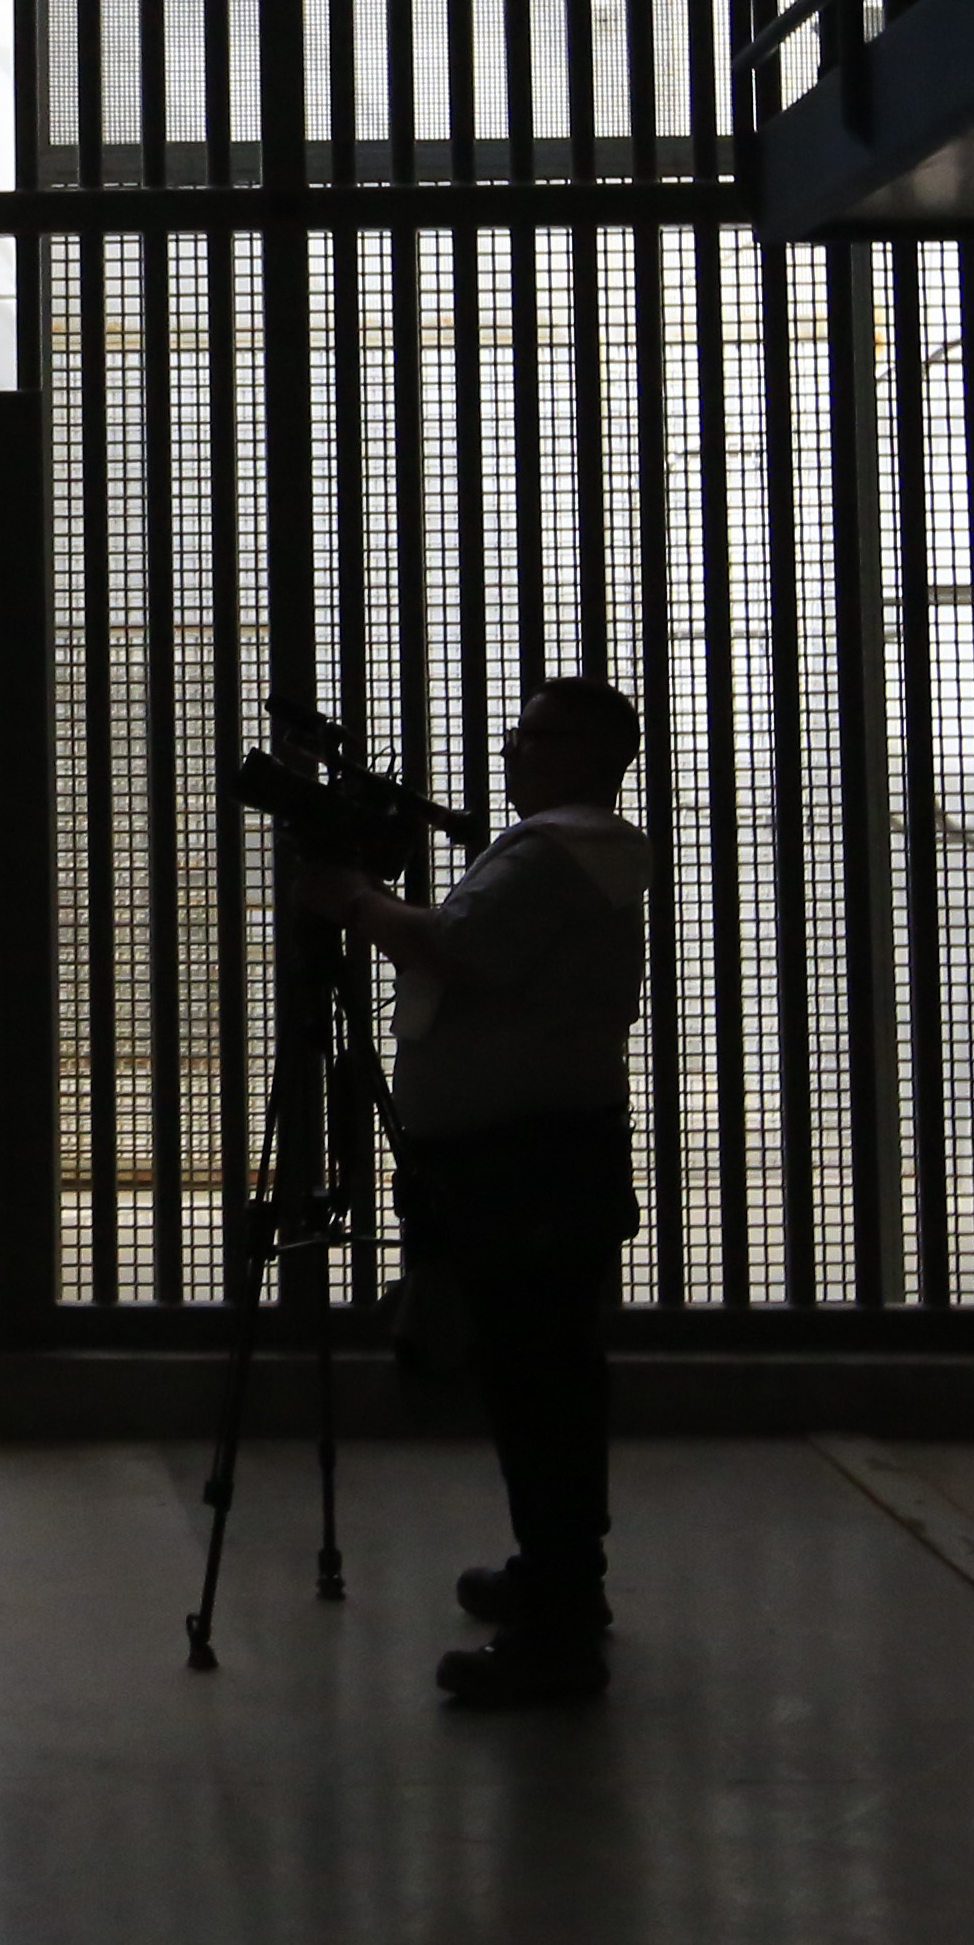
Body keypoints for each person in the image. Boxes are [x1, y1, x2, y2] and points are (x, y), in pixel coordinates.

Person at [299, 677, 657, 1711]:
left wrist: (350, 898)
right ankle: (560, 1577)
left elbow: (454, 950)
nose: (511, 751)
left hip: (523, 1165)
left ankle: (556, 1636)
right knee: (548, 1377)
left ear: (586, 753)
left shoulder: (555, 852)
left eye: (532, 737)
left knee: (537, 1384)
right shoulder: (591, 848)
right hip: (547, 1154)